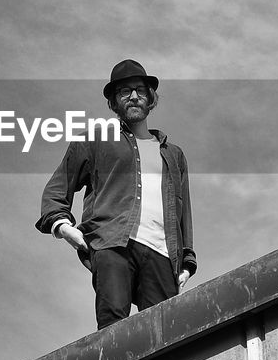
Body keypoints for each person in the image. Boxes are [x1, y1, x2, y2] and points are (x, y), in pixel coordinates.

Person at [36, 59, 196, 330]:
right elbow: (57, 187)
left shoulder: (173, 154)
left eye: (140, 90)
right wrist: (63, 227)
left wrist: (187, 261)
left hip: (162, 252)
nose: (133, 96)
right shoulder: (95, 140)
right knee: (113, 326)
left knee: (166, 335)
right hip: (111, 243)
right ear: (114, 102)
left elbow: (184, 211)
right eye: (124, 91)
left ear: (150, 98)